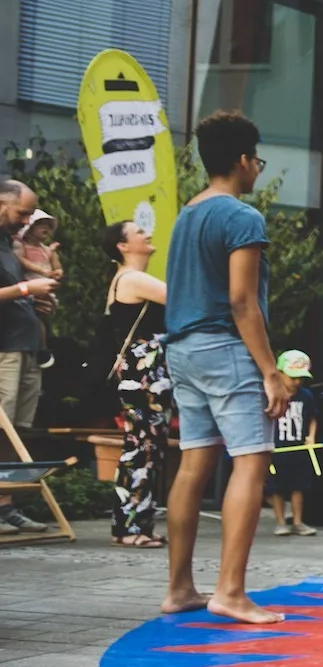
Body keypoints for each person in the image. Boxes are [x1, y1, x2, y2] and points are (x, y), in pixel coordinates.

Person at [160, 111, 294, 623]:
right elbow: (242, 301)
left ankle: (180, 589)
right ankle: (230, 592)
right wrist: (270, 371)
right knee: (251, 462)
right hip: (225, 350)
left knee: (194, 465)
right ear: (242, 160)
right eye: (257, 160)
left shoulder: (187, 215)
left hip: (183, 350)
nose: (257, 169)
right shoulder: (241, 217)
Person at [100, 221, 173, 548]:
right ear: (123, 245)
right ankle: (130, 526)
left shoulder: (127, 278)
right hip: (144, 374)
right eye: (139, 232)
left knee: (146, 446)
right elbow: (182, 299)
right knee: (142, 446)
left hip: (143, 373)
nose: (147, 234)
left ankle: (136, 523)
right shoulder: (132, 278)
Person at [0, 179, 59, 535]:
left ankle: (6, 504)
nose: (26, 222)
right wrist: (26, 288)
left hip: (26, 344)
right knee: (1, 425)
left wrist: (35, 301)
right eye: (23, 213)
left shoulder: (9, 242)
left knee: (16, 431)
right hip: (4, 347)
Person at [267, 350, 320, 537]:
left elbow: (312, 418)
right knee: (277, 487)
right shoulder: (271, 394)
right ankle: (280, 522)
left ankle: (297, 521)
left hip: (298, 448)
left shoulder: (306, 396)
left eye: (300, 378)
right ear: (280, 373)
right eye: (292, 377)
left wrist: (311, 437)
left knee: (299, 486)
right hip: (277, 448)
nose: (297, 382)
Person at [15, 210, 61, 370]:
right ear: (29, 228)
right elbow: (21, 261)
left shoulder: (46, 249)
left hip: (45, 287)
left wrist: (57, 272)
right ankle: (42, 348)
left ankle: (43, 346)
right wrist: (42, 271)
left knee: (43, 317)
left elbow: (57, 266)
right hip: (30, 287)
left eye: (48, 226)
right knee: (37, 319)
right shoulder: (22, 247)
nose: (46, 228)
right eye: (41, 225)